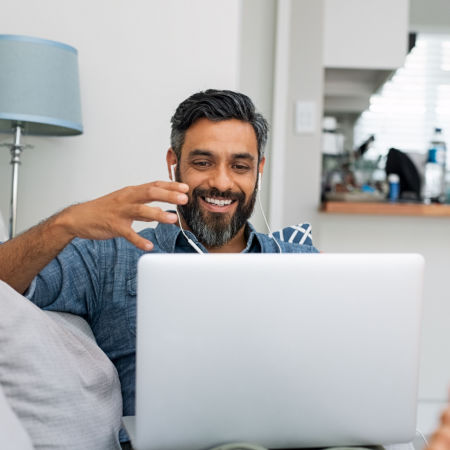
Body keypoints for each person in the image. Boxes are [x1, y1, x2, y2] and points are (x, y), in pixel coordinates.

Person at [0, 90, 319, 440]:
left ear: (258, 169)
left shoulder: (302, 264)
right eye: (203, 163)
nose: (222, 182)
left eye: (240, 166)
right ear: (174, 162)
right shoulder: (111, 256)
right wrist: (66, 222)